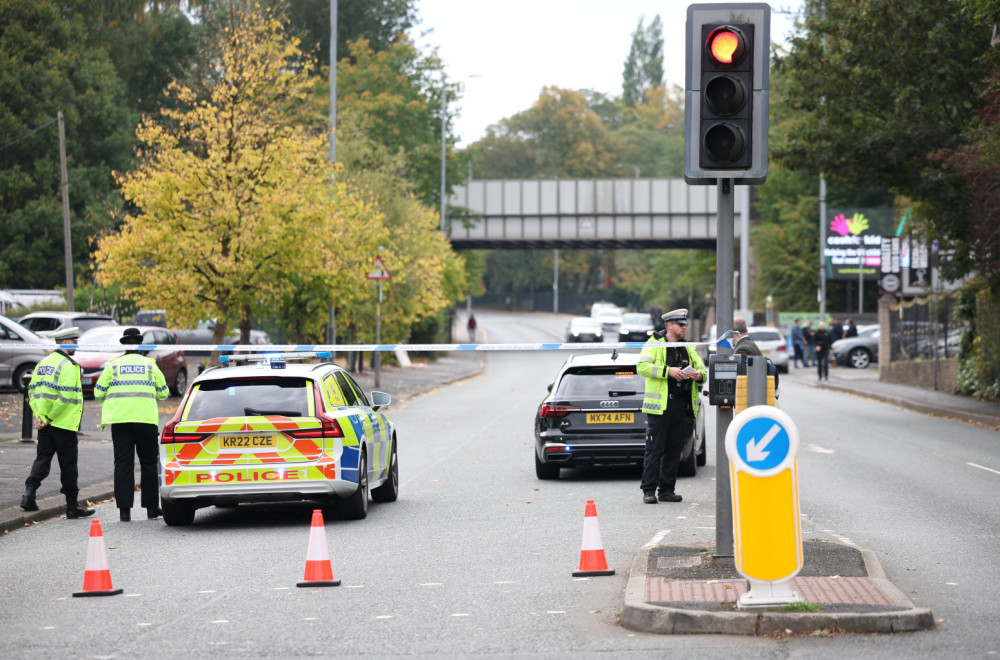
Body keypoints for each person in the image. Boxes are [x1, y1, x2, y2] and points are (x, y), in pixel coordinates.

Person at [20, 327, 95, 519]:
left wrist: (41, 417)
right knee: (68, 466)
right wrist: (51, 417)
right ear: (67, 343)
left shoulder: (42, 363)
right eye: (74, 342)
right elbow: (66, 396)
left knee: (42, 460)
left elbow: (32, 392)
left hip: (45, 424)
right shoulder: (69, 366)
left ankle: (29, 494)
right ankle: (72, 507)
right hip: (63, 424)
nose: (76, 345)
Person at [95, 327, 168, 521]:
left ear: (124, 344)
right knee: (150, 464)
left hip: (120, 421)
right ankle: (152, 509)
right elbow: (164, 392)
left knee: (123, 464)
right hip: (145, 420)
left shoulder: (113, 365)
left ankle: (124, 511)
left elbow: (98, 393)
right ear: (140, 343)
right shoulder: (150, 365)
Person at [636, 309, 707, 504]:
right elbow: (641, 367)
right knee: (654, 449)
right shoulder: (654, 344)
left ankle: (667, 490)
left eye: (685, 324)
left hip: (682, 406)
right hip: (660, 406)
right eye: (681, 324)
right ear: (669, 325)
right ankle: (648, 490)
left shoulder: (688, 347)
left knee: (675, 450)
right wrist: (669, 371)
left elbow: (702, 369)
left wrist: (699, 376)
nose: (685, 327)